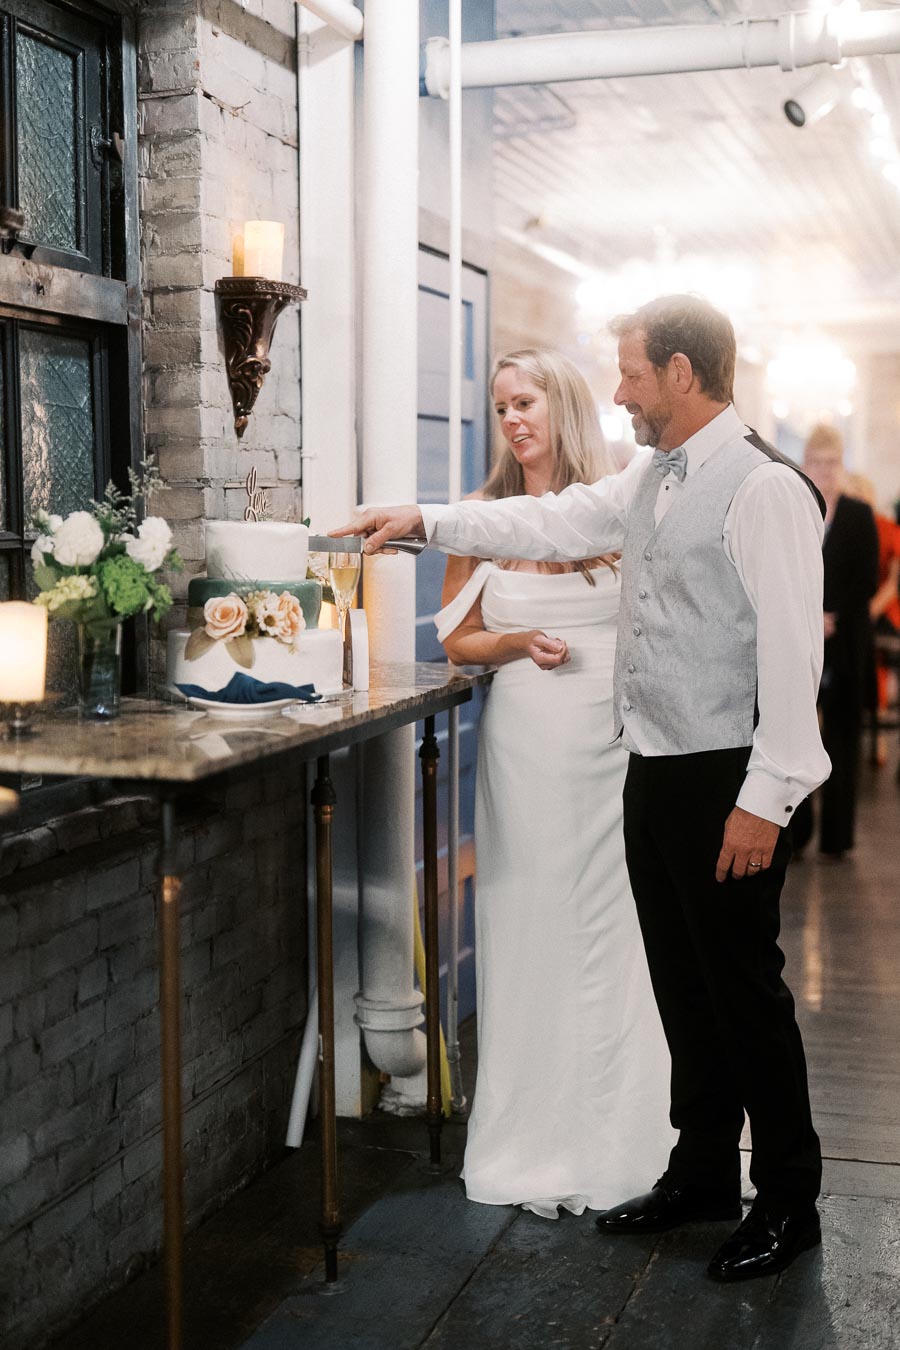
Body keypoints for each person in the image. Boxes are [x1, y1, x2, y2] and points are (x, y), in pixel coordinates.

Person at [332, 294, 831, 1284]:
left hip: (728, 778)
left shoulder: (763, 490)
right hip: (650, 771)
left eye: (633, 376)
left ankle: (787, 1198)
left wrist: (763, 802)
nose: (619, 394)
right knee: (685, 992)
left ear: (684, 374)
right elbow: (548, 516)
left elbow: (789, 660)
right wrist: (426, 519)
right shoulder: (651, 476)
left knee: (744, 995)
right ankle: (698, 1173)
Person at [435, 348, 674, 1218]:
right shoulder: (478, 514)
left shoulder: (615, 506)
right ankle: (531, 1137)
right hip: (528, 740)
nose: (512, 421)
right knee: (530, 918)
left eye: (524, 402)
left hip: (615, 741)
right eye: (500, 408)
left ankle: (631, 1139)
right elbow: (457, 640)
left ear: (563, 404)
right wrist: (513, 644)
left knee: (622, 937)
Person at [792, 429, 879, 856]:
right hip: (802, 639)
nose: (824, 472)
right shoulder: (796, 509)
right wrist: (809, 616)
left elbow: (865, 577)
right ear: (805, 464)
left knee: (843, 736)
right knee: (797, 735)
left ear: (840, 465)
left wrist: (831, 616)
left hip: (845, 640)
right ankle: (798, 830)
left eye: (831, 463)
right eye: (817, 463)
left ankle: (837, 837)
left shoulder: (860, 514)